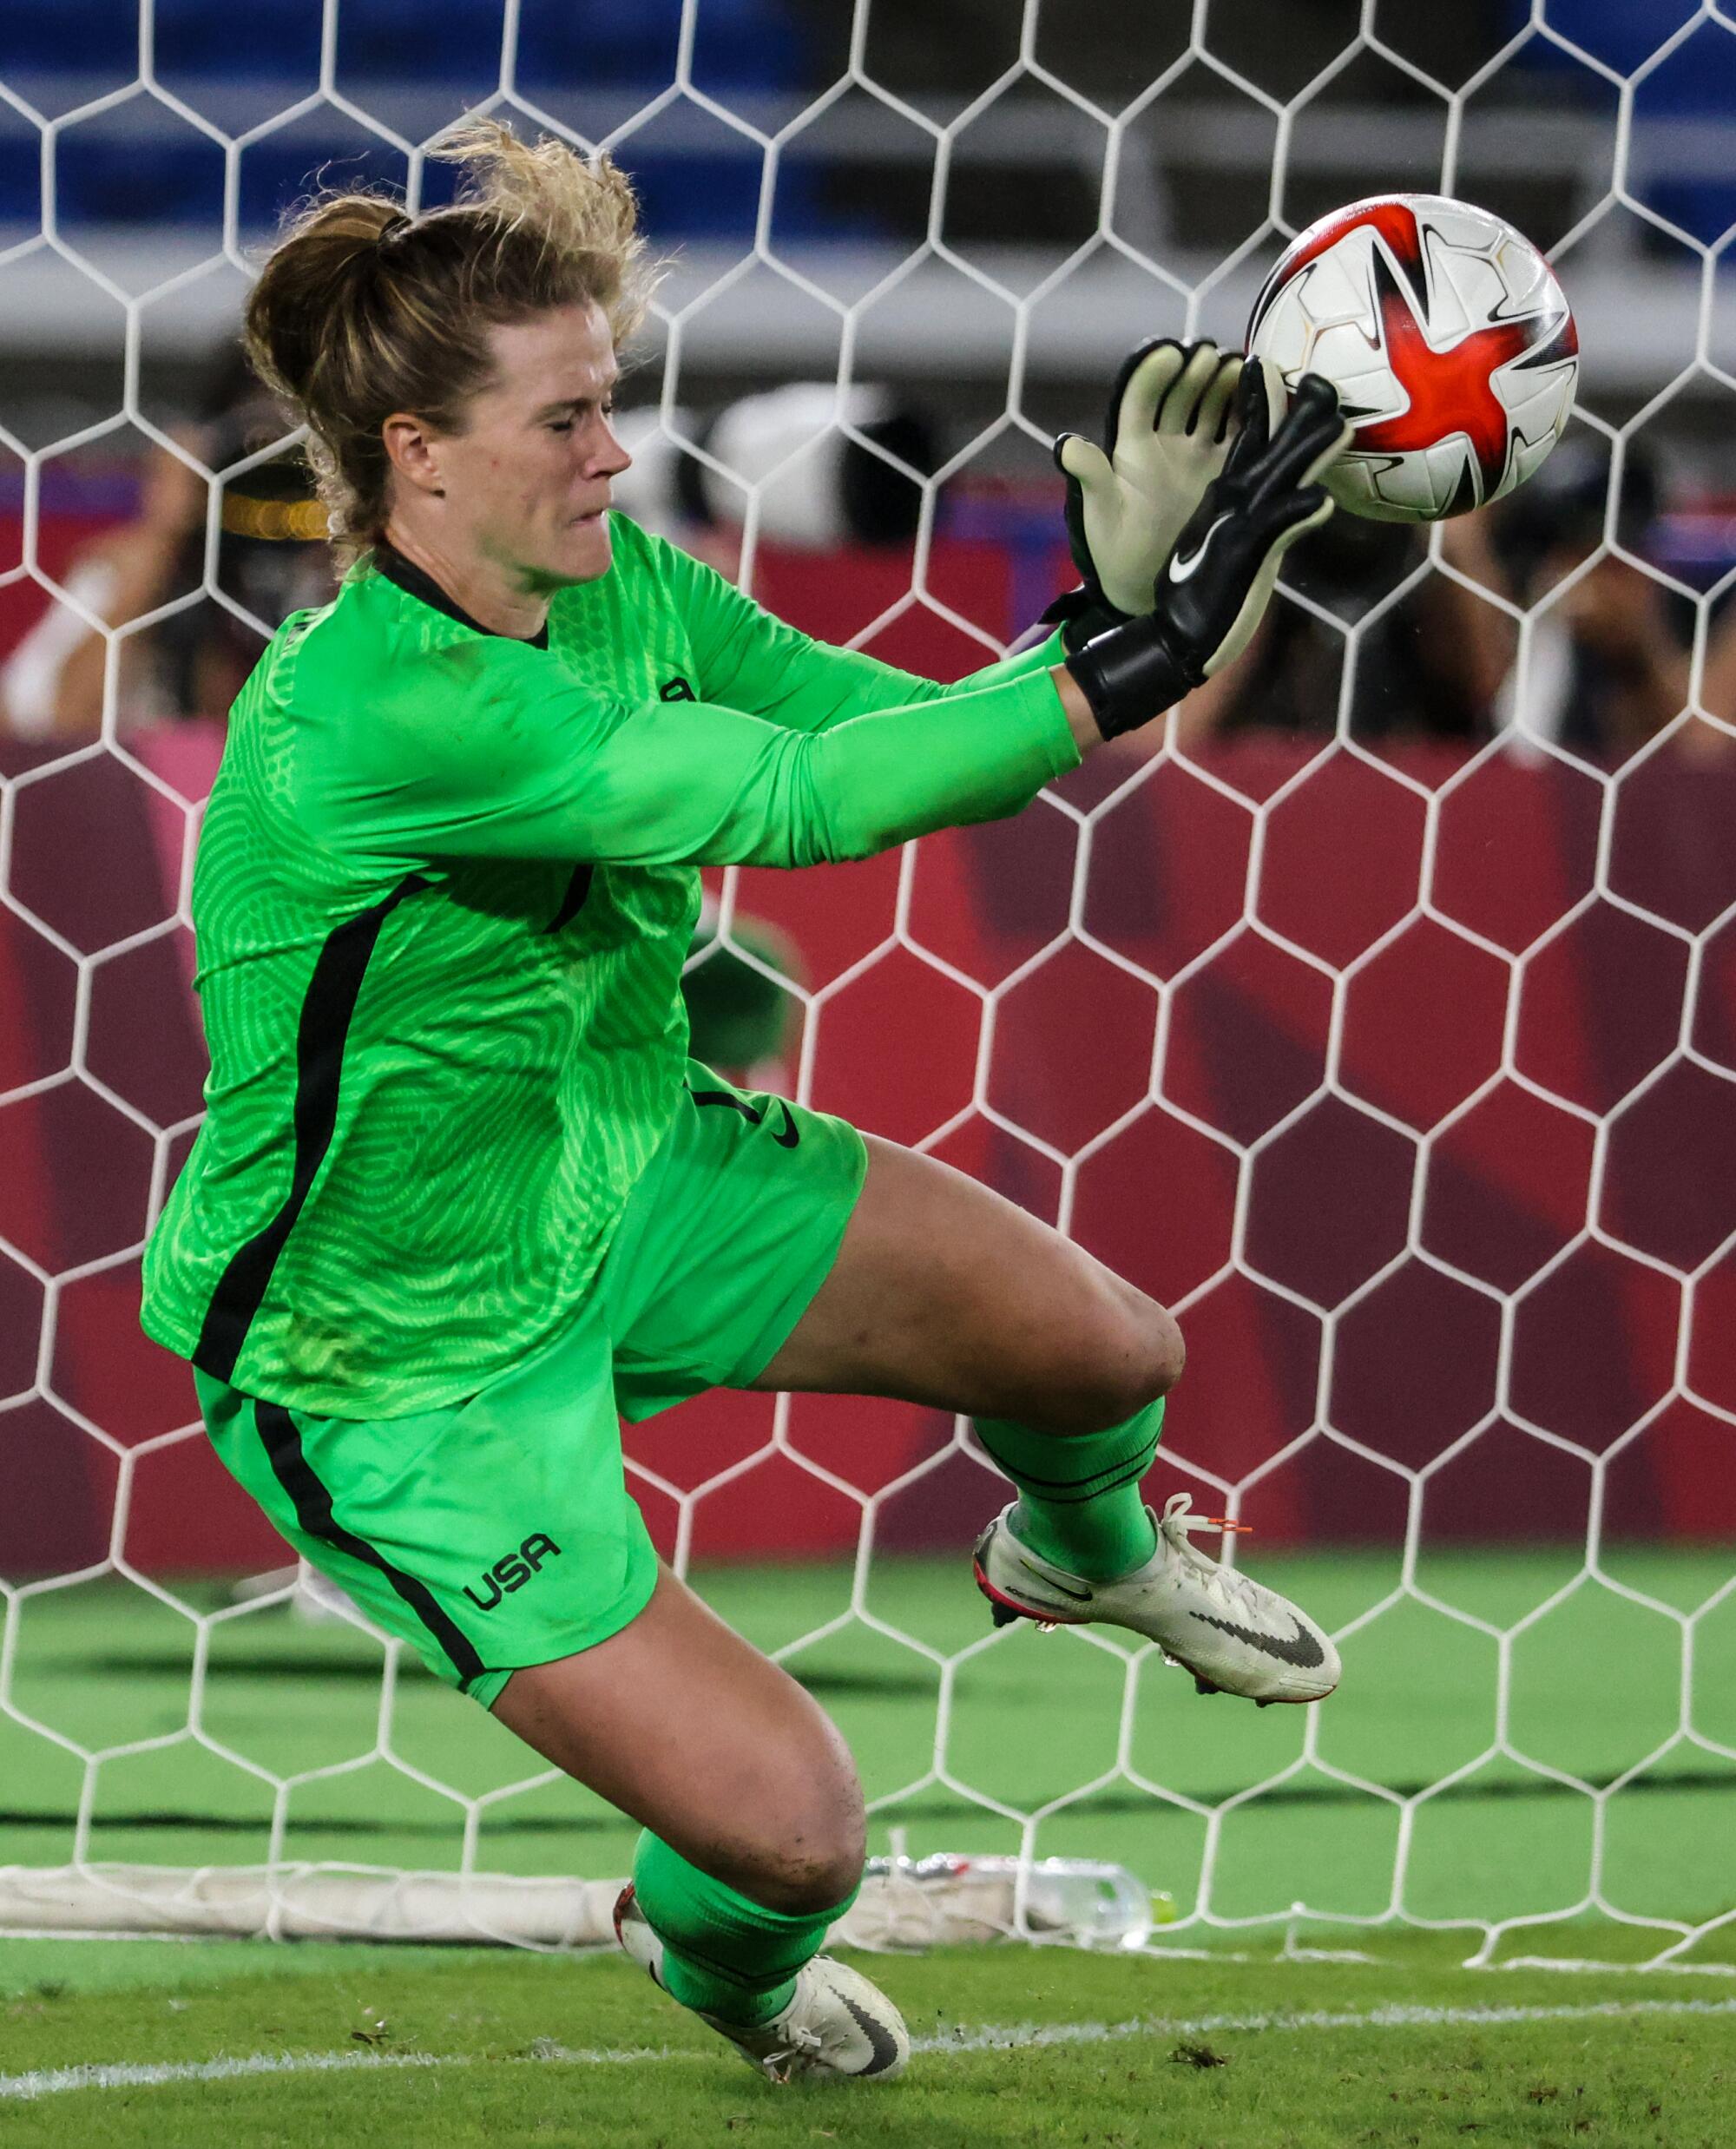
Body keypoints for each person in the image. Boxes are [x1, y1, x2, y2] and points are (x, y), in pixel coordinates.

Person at [139, 122, 1350, 2087]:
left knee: (1100, 1349)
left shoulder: (618, 583)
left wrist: (1079, 625)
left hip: (624, 1158)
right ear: (416, 457)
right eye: (568, 418)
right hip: (394, 1349)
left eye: (614, 404)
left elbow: (840, 715)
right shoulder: (391, 713)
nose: (614, 454)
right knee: (792, 1835)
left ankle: (1084, 1548)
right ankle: (717, 1964)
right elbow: (810, 810)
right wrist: (1132, 666)